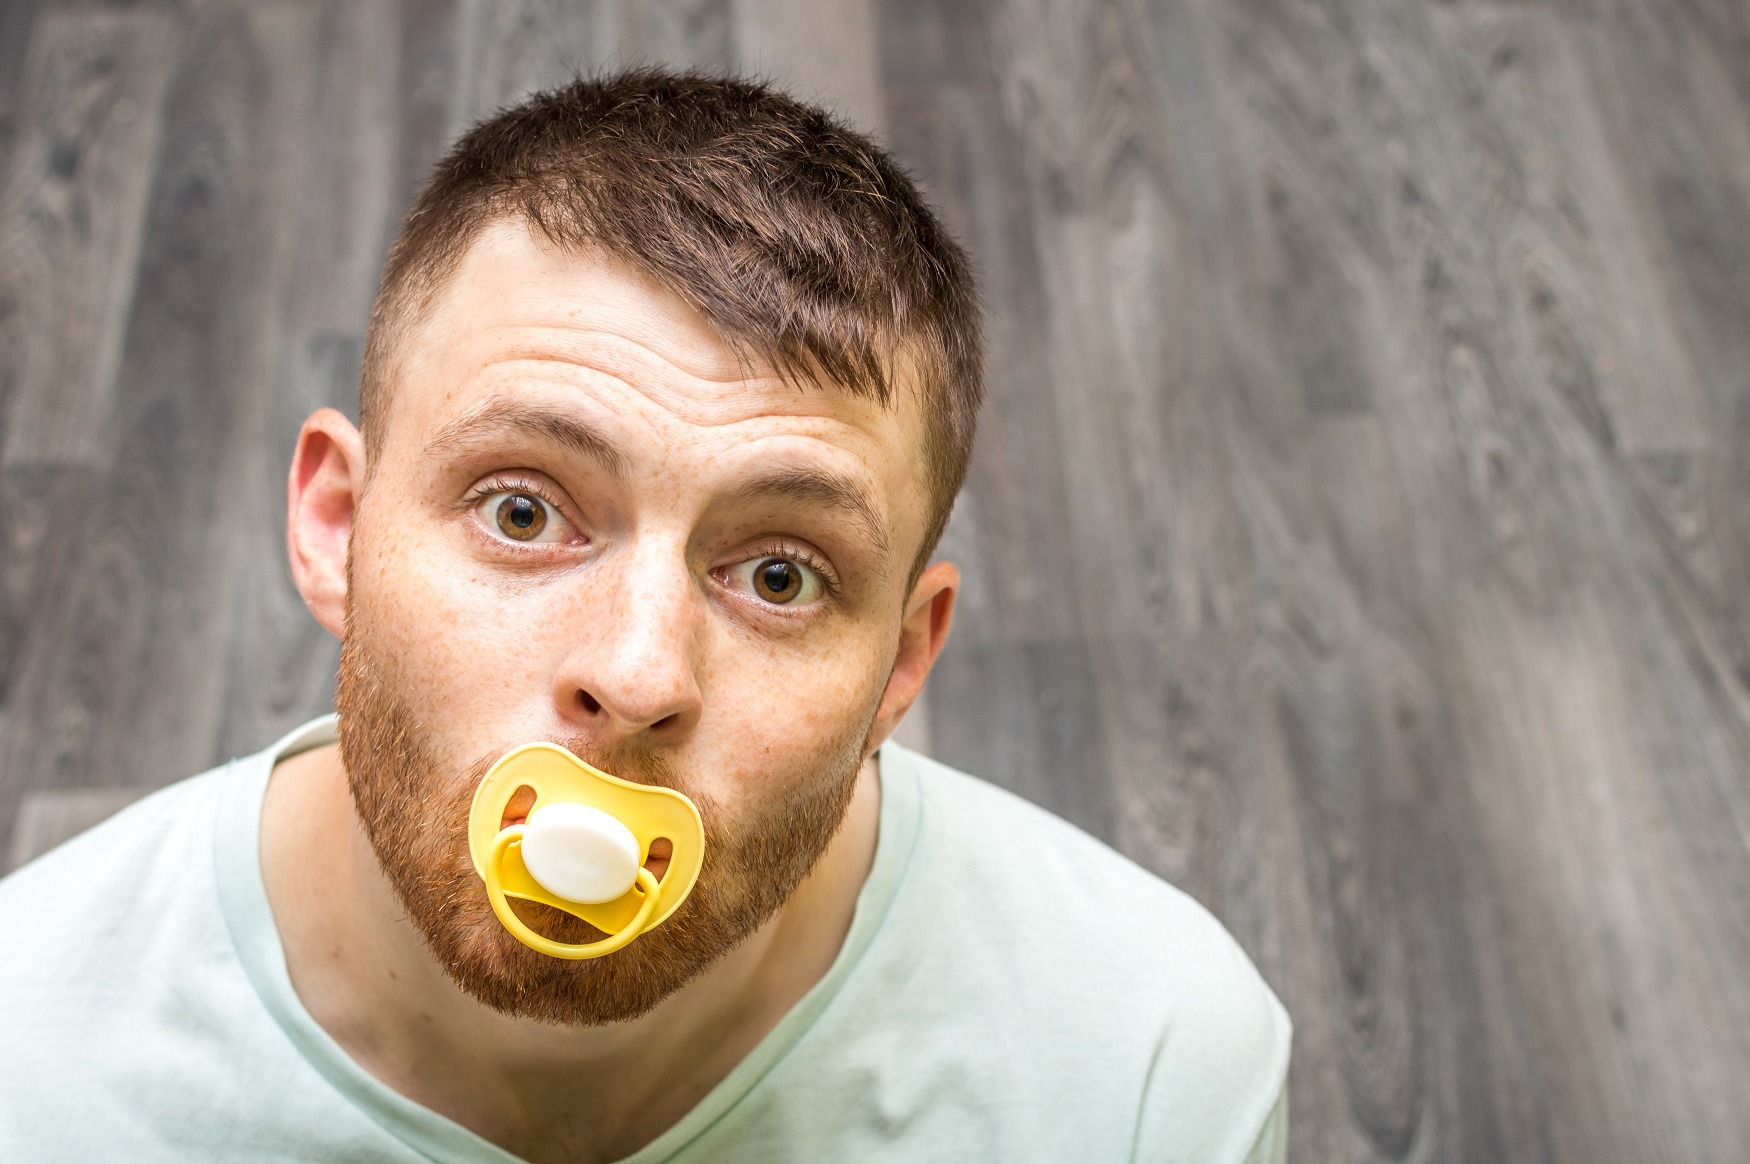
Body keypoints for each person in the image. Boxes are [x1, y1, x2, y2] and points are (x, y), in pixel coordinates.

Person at [0, 71, 1290, 1163]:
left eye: (779, 576)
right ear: (338, 525)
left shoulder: (1145, 1074)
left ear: (901, 663)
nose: (636, 673)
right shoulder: (29, 1068)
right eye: (522, 513)